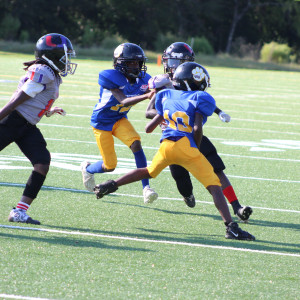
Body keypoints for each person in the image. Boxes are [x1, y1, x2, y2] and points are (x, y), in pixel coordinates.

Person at [93, 62, 255, 240]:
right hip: (186, 145)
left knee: (148, 171)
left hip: (166, 145)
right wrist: (195, 147)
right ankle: (231, 227)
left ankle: (111, 184)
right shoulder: (199, 98)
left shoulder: (166, 95)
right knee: (214, 186)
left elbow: (148, 128)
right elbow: (196, 128)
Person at [146, 42, 252, 222]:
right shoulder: (163, 84)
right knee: (182, 180)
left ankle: (237, 207)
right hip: (174, 138)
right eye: (170, 61)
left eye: (175, 62)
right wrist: (165, 113)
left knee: (216, 170)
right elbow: (149, 112)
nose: (171, 66)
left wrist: (219, 112)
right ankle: (187, 195)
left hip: (195, 135)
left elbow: (200, 98)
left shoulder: (191, 79)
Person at [0, 33, 77, 225]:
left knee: (42, 163)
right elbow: (18, 100)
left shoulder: (51, 74)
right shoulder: (43, 71)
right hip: (12, 122)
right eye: (63, 55)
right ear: (51, 55)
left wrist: (48, 110)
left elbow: (33, 100)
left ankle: (19, 211)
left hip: (27, 125)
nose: (66, 60)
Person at [80, 43, 158, 204]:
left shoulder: (144, 80)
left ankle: (146, 188)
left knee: (136, 143)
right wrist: (146, 96)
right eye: (130, 62)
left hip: (120, 119)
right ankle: (87, 169)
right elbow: (124, 100)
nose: (135, 66)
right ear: (120, 63)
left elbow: (156, 93)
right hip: (101, 122)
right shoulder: (110, 77)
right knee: (110, 166)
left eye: (137, 62)